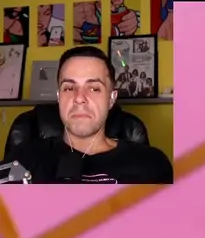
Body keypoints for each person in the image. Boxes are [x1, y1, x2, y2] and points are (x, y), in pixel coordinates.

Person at [2, 46, 173, 184]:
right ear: (59, 97)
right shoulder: (21, 161)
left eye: (94, 88)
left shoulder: (152, 165)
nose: (79, 98)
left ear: (111, 99)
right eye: (69, 88)